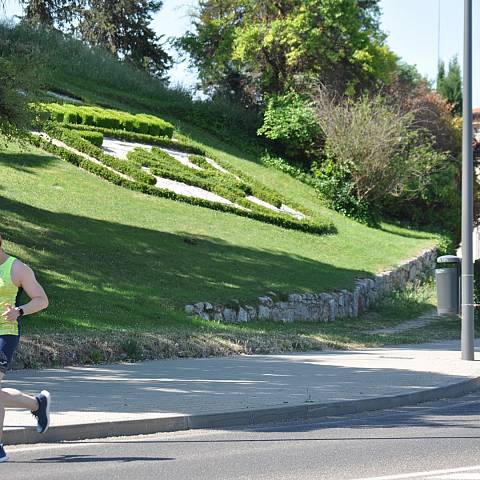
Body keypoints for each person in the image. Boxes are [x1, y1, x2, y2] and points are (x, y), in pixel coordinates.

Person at [0, 233, 50, 462]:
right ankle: (36, 403)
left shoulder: (17, 268)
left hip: (5, 333)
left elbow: (41, 299)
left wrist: (18, 311)